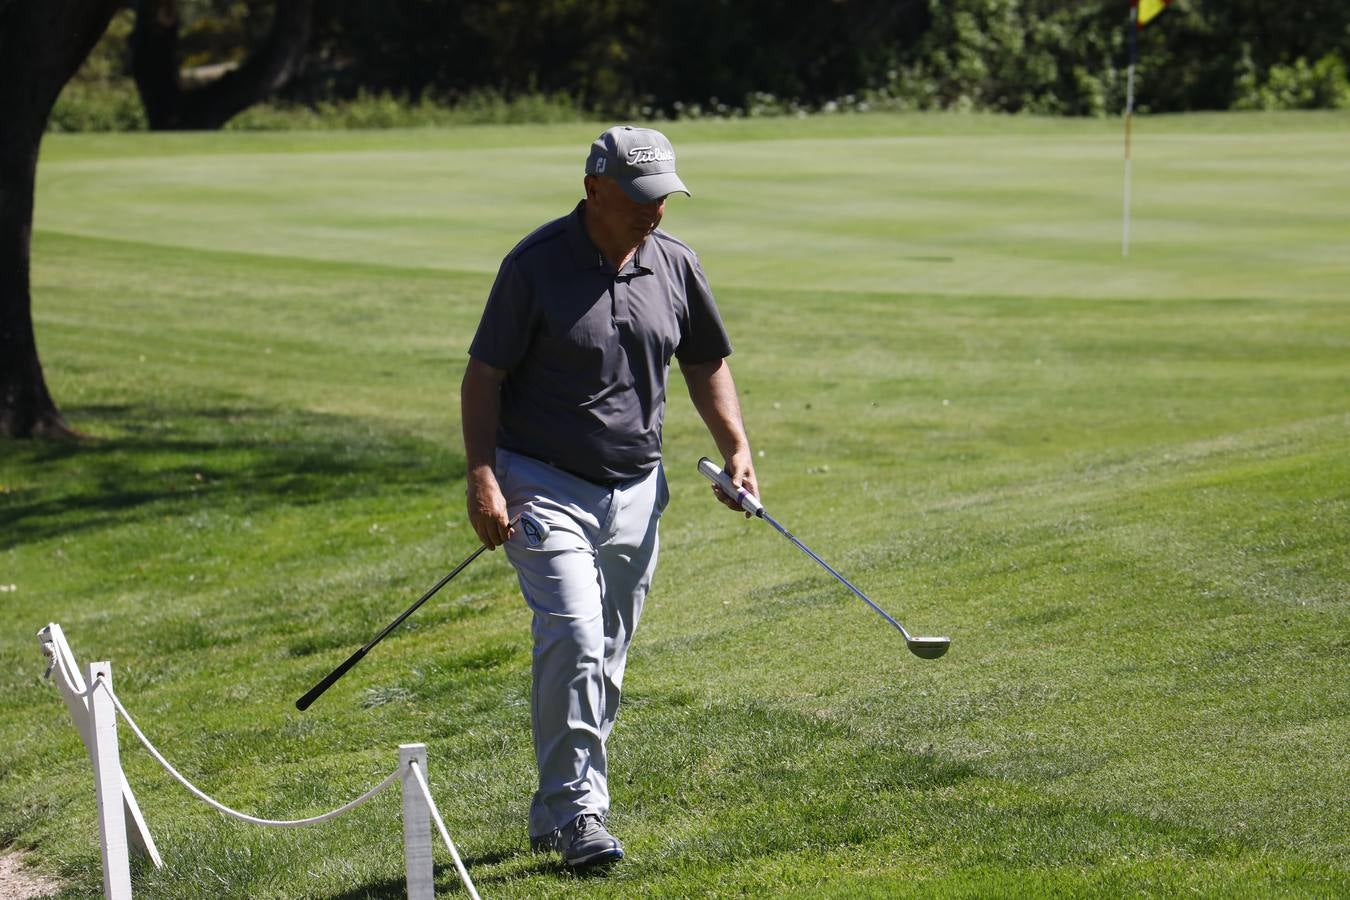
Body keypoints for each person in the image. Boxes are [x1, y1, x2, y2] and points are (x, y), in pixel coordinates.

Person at [460, 125, 757, 868]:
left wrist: (737, 449)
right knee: (575, 636)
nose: (655, 212)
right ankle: (577, 817)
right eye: (640, 198)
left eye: (664, 198)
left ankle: (561, 806)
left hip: (636, 487)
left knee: (608, 653)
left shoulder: (675, 264)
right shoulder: (533, 266)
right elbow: (484, 376)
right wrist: (481, 474)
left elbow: (705, 360)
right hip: (541, 480)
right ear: (595, 189)